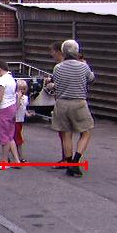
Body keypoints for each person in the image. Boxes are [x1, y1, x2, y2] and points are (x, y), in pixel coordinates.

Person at [51, 39, 95, 177]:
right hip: (78, 102)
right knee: (86, 132)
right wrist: (86, 65)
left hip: (62, 103)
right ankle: (75, 162)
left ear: (63, 52)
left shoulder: (57, 68)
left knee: (66, 134)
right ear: (76, 51)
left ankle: (69, 163)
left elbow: (56, 82)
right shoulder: (83, 67)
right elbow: (91, 79)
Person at [44, 41, 67, 167]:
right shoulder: (71, 65)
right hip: (70, 101)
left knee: (64, 132)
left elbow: (58, 85)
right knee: (64, 132)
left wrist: (51, 84)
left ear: (59, 52)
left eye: (52, 51)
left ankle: (67, 160)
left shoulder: (60, 67)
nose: (51, 54)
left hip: (63, 102)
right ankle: (68, 159)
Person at [14, 79, 34, 163]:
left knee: (18, 139)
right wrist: (18, 98)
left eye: (24, 89)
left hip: (20, 120)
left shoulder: (25, 98)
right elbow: (16, 107)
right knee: (17, 139)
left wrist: (27, 114)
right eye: (20, 89)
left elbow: (24, 107)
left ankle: (19, 157)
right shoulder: (15, 97)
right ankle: (18, 157)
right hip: (15, 120)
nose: (22, 91)